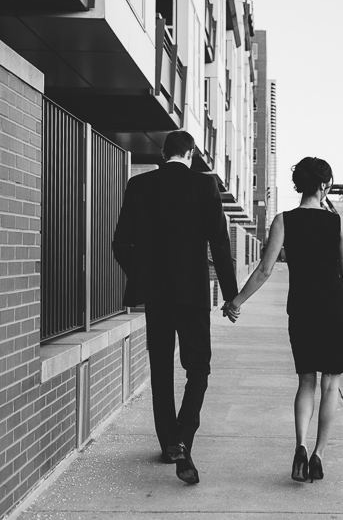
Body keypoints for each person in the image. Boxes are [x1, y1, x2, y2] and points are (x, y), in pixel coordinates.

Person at [112, 130, 238, 485]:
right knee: (198, 367)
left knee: (161, 367)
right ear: (192, 153)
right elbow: (220, 245)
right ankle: (184, 436)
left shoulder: (140, 186)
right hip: (193, 294)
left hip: (157, 295)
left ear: (163, 153)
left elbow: (120, 243)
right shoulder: (204, 186)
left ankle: (169, 444)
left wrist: (142, 276)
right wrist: (230, 296)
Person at [224, 156, 343, 483]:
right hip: (334, 308)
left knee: (306, 381)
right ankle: (318, 456)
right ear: (325, 185)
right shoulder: (339, 223)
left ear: (299, 184)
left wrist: (236, 301)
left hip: (301, 309)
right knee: (331, 384)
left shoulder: (283, 221)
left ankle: (299, 446)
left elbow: (266, 269)